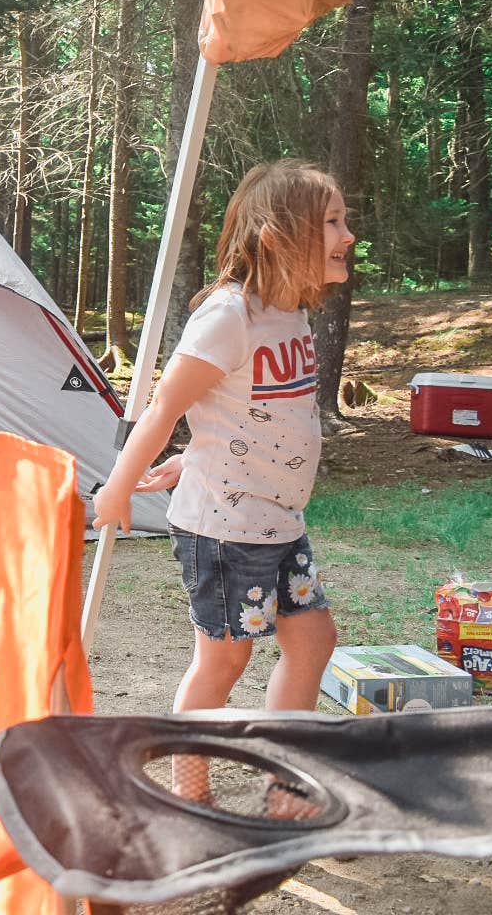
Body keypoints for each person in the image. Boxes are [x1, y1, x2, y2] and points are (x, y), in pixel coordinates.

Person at [91, 161, 354, 800]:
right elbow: (163, 408)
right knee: (224, 659)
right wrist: (117, 488)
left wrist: (196, 457)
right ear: (277, 235)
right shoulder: (229, 315)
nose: (348, 236)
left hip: (276, 521)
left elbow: (244, 414)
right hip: (226, 530)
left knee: (314, 640)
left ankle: (285, 784)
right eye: (331, 223)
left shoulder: (288, 313)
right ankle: (189, 790)